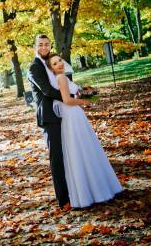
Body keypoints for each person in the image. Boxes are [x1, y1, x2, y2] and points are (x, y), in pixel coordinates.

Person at [46, 53, 123, 208]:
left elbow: (70, 94)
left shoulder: (62, 77)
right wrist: (85, 101)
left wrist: (84, 93)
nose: (59, 64)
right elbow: (67, 100)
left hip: (74, 114)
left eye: (60, 60)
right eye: (55, 64)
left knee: (84, 149)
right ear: (51, 69)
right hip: (72, 115)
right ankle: (93, 191)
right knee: (83, 149)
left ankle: (93, 190)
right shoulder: (60, 78)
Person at [28, 34, 72, 208]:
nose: (44, 47)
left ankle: (74, 190)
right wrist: (69, 96)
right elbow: (47, 90)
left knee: (69, 153)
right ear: (35, 47)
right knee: (57, 158)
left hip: (63, 113)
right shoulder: (34, 67)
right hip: (49, 117)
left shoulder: (52, 62)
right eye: (41, 45)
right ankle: (63, 199)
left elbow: (65, 79)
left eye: (47, 44)